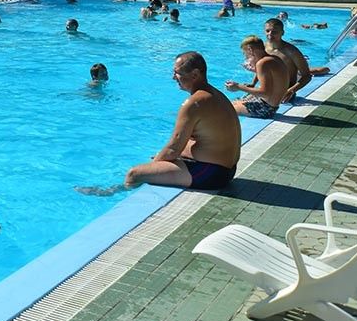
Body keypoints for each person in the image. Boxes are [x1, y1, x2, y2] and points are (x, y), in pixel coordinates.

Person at [83, 52, 240, 194]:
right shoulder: (215, 94)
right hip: (227, 170)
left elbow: (173, 149)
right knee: (161, 156)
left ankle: (112, 192)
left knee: (134, 173)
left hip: (210, 175)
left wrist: (155, 164)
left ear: (195, 74)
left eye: (177, 73)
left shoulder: (193, 103)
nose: (173, 78)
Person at [225, 36, 286, 119]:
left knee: (226, 108)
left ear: (250, 50)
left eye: (244, 53)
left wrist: (238, 87)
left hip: (265, 109)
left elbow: (265, 93)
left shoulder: (262, 63)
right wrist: (254, 79)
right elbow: (273, 78)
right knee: (233, 102)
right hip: (271, 106)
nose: (245, 57)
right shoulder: (274, 58)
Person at [264, 17, 315, 102]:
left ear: (282, 33)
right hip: (266, 91)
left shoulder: (291, 51)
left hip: (284, 94)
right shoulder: (263, 48)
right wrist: (253, 84)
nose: (270, 34)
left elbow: (307, 76)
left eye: (275, 32)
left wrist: (291, 91)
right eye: (267, 31)